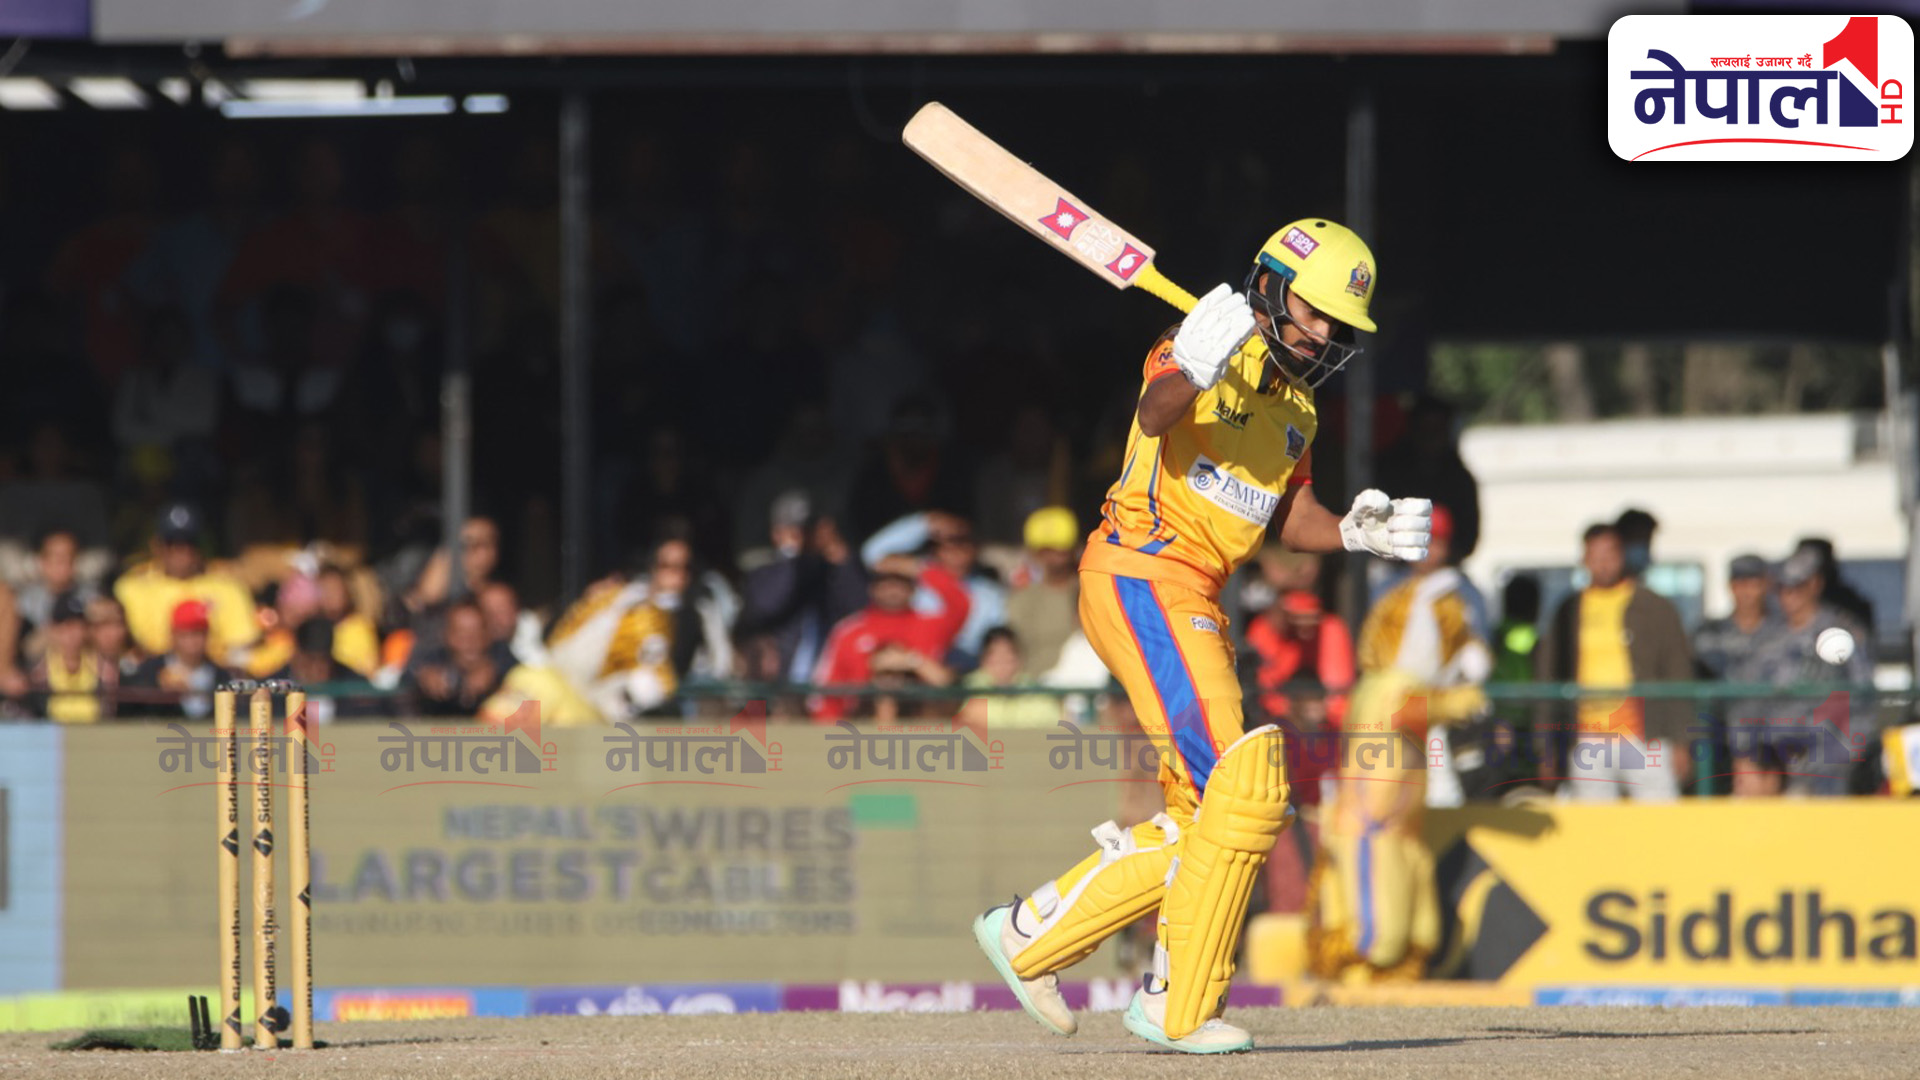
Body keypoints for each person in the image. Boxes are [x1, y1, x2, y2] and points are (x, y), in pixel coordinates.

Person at [971, 219, 1431, 1053]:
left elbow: (1290, 515)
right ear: (1271, 287)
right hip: (1141, 573)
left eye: (1337, 324)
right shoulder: (1192, 341)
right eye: (1314, 312)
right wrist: (1194, 363)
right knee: (1239, 788)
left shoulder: (1298, 407)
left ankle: (1031, 933)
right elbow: (1153, 416)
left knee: (1206, 812)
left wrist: (1351, 532)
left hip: (1197, 599)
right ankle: (1176, 1004)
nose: (1323, 335)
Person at [1309, 506, 1487, 983]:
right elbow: (1411, 706)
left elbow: (1436, 683)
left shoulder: (1445, 595)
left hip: (1398, 789)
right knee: (1377, 861)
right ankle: (1364, 958)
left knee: (1400, 858)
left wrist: (1454, 693)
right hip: (1375, 798)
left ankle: (1389, 959)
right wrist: (1456, 701)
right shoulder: (1402, 602)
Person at [1535, 524, 1695, 801]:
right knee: (1596, 820)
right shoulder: (1568, 610)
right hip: (1588, 737)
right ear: (1584, 560)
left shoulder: (1654, 606)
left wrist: (1681, 740)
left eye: (1609, 555)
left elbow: (1677, 671)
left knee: (1660, 814)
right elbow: (1548, 675)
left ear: (1622, 556)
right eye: (1595, 556)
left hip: (1645, 734)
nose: (1603, 564)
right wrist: (1546, 746)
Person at [810, 550, 971, 721]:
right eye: (885, 583)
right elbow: (826, 693)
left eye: (900, 584)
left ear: (913, 589)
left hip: (921, 723)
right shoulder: (848, 631)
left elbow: (961, 603)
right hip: (863, 723)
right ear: (872, 588)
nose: (893, 590)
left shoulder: (931, 625)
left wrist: (917, 567)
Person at [114, 503, 258, 667]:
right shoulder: (131, 588)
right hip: (149, 672)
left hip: (214, 672)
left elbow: (242, 646)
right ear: (157, 546)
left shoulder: (229, 588)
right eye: (172, 543)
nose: (182, 551)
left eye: (189, 542)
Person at [1003, 507, 1082, 679]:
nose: (1054, 557)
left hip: (1084, 687)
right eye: (1046, 550)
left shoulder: (1088, 592)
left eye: (1060, 550)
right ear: (1034, 553)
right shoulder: (1021, 599)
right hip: (1033, 687)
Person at [123, 599, 230, 720]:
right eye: (184, 634)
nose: (191, 641)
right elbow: (132, 712)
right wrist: (160, 691)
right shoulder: (150, 670)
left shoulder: (222, 676)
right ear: (173, 634)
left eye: (197, 633)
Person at [29, 591, 116, 723]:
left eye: (80, 626)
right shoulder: (38, 673)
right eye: (67, 626)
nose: (74, 634)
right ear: (53, 629)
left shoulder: (104, 671)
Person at [1693, 554, 1777, 680]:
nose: (1746, 591)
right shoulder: (1709, 632)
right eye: (1740, 584)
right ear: (1730, 586)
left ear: (1765, 585)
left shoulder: (1783, 630)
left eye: (1753, 584)